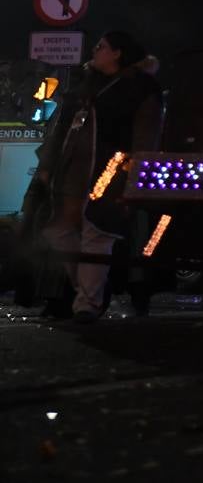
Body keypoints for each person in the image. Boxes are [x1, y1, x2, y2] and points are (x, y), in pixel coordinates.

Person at [33, 31, 162, 323]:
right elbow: (62, 128)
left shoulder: (140, 88)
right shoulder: (85, 84)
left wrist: (135, 173)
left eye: (102, 46)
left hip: (110, 170)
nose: (95, 50)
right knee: (58, 230)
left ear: (118, 53)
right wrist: (49, 165)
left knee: (97, 234)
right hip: (70, 172)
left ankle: (86, 305)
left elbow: (146, 135)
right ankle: (87, 294)